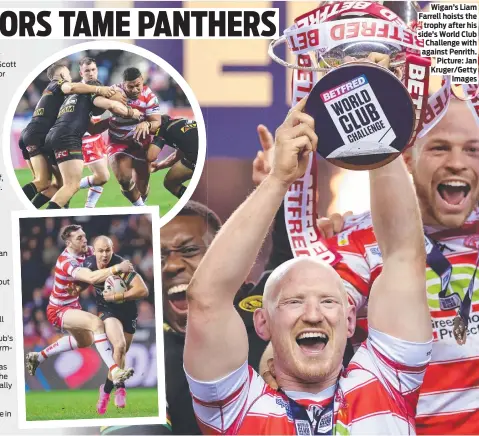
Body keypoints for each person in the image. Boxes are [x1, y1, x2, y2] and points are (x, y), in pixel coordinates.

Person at [183, 97, 432, 434]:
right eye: (293, 301)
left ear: (348, 320)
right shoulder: (235, 408)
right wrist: (277, 181)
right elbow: (207, 299)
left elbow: (403, 256)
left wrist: (375, 121)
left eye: (328, 301)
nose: (314, 314)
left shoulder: (388, 381)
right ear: (262, 322)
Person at [254, 96, 479, 435]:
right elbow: (311, 315)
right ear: (406, 158)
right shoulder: (356, 242)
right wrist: (272, 357)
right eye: (439, 148)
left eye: (473, 150)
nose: (457, 163)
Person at [99, 201, 268, 435]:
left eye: (189, 251)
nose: (171, 265)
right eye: (160, 256)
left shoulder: (272, 309)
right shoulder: (143, 358)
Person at [25, 225, 135, 385]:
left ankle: (39, 356)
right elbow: (90, 277)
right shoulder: (66, 261)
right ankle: (115, 370)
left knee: (86, 341)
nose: (84, 240)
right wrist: (118, 268)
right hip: (58, 310)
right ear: (68, 243)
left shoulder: (89, 250)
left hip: (73, 307)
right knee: (96, 323)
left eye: (84, 236)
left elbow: (103, 260)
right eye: (79, 238)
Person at [21, 63, 116, 204]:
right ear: (62, 75)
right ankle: (15, 207)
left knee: (54, 185)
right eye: (69, 74)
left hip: (31, 134)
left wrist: (113, 121)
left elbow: (93, 129)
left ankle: (34, 210)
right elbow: (69, 87)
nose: (71, 78)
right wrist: (99, 89)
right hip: (41, 135)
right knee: (51, 183)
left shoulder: (50, 92)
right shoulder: (60, 83)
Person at [43, 79, 142, 209]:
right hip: (68, 137)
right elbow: (111, 105)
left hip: (52, 136)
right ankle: (47, 215)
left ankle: (39, 208)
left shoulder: (73, 99)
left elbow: (93, 129)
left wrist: (112, 120)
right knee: (72, 185)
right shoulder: (93, 94)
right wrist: (131, 113)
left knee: (66, 185)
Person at [81, 235, 148, 414]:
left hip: (128, 312)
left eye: (108, 250)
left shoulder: (122, 264)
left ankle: (105, 391)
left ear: (112, 250)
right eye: (100, 251)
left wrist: (118, 296)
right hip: (106, 311)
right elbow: (86, 280)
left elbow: (143, 290)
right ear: (94, 251)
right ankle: (120, 389)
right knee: (119, 345)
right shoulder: (88, 265)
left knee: (121, 354)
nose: (104, 255)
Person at [107, 67, 162, 206]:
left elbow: (157, 122)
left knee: (142, 188)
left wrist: (147, 125)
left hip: (141, 143)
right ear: (123, 84)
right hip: (118, 140)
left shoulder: (150, 97)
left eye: (138, 85)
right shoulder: (114, 92)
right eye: (130, 87)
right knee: (123, 179)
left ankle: (140, 203)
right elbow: (97, 101)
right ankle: (141, 208)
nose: (135, 89)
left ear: (142, 81)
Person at [78, 57, 124, 208]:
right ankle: (68, 187)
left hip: (96, 135)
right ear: (81, 73)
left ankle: (89, 208)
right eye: (87, 71)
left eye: (93, 70)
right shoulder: (80, 91)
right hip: (85, 136)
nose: (91, 73)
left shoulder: (99, 88)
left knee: (100, 179)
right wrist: (118, 113)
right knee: (102, 176)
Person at [148, 115, 198, 198]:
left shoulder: (162, 129)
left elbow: (151, 156)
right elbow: (178, 155)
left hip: (196, 156)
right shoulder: (182, 121)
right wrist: (159, 166)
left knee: (170, 183)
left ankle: (197, 204)